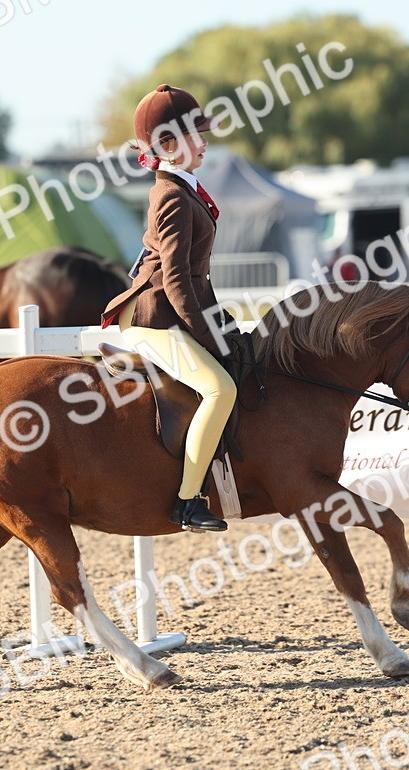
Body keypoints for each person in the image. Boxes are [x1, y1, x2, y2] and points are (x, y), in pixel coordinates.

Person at [101, 84, 236, 532]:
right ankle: (189, 501)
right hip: (153, 318)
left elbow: (196, 279)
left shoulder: (184, 187)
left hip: (169, 312)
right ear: (168, 145)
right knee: (221, 389)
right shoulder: (174, 195)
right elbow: (177, 280)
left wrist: (221, 323)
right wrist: (209, 335)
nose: (206, 141)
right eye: (197, 134)